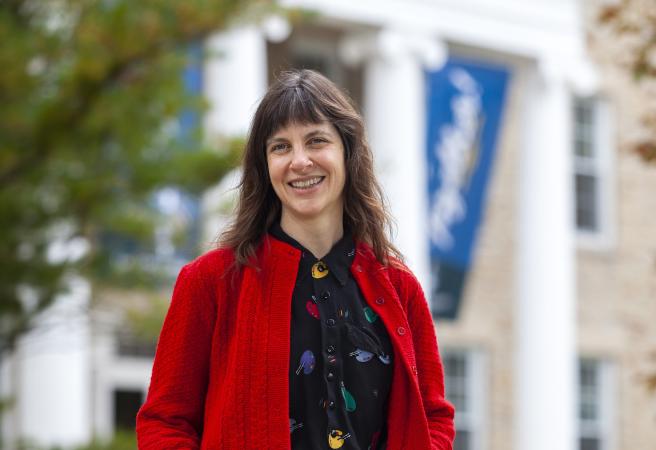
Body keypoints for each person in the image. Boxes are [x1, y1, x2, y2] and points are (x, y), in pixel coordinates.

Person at [136, 69, 455, 450]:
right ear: (264, 166)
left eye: (316, 140)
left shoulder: (400, 289)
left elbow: (432, 417)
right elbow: (165, 423)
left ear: (347, 152)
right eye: (281, 147)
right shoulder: (211, 282)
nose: (300, 161)